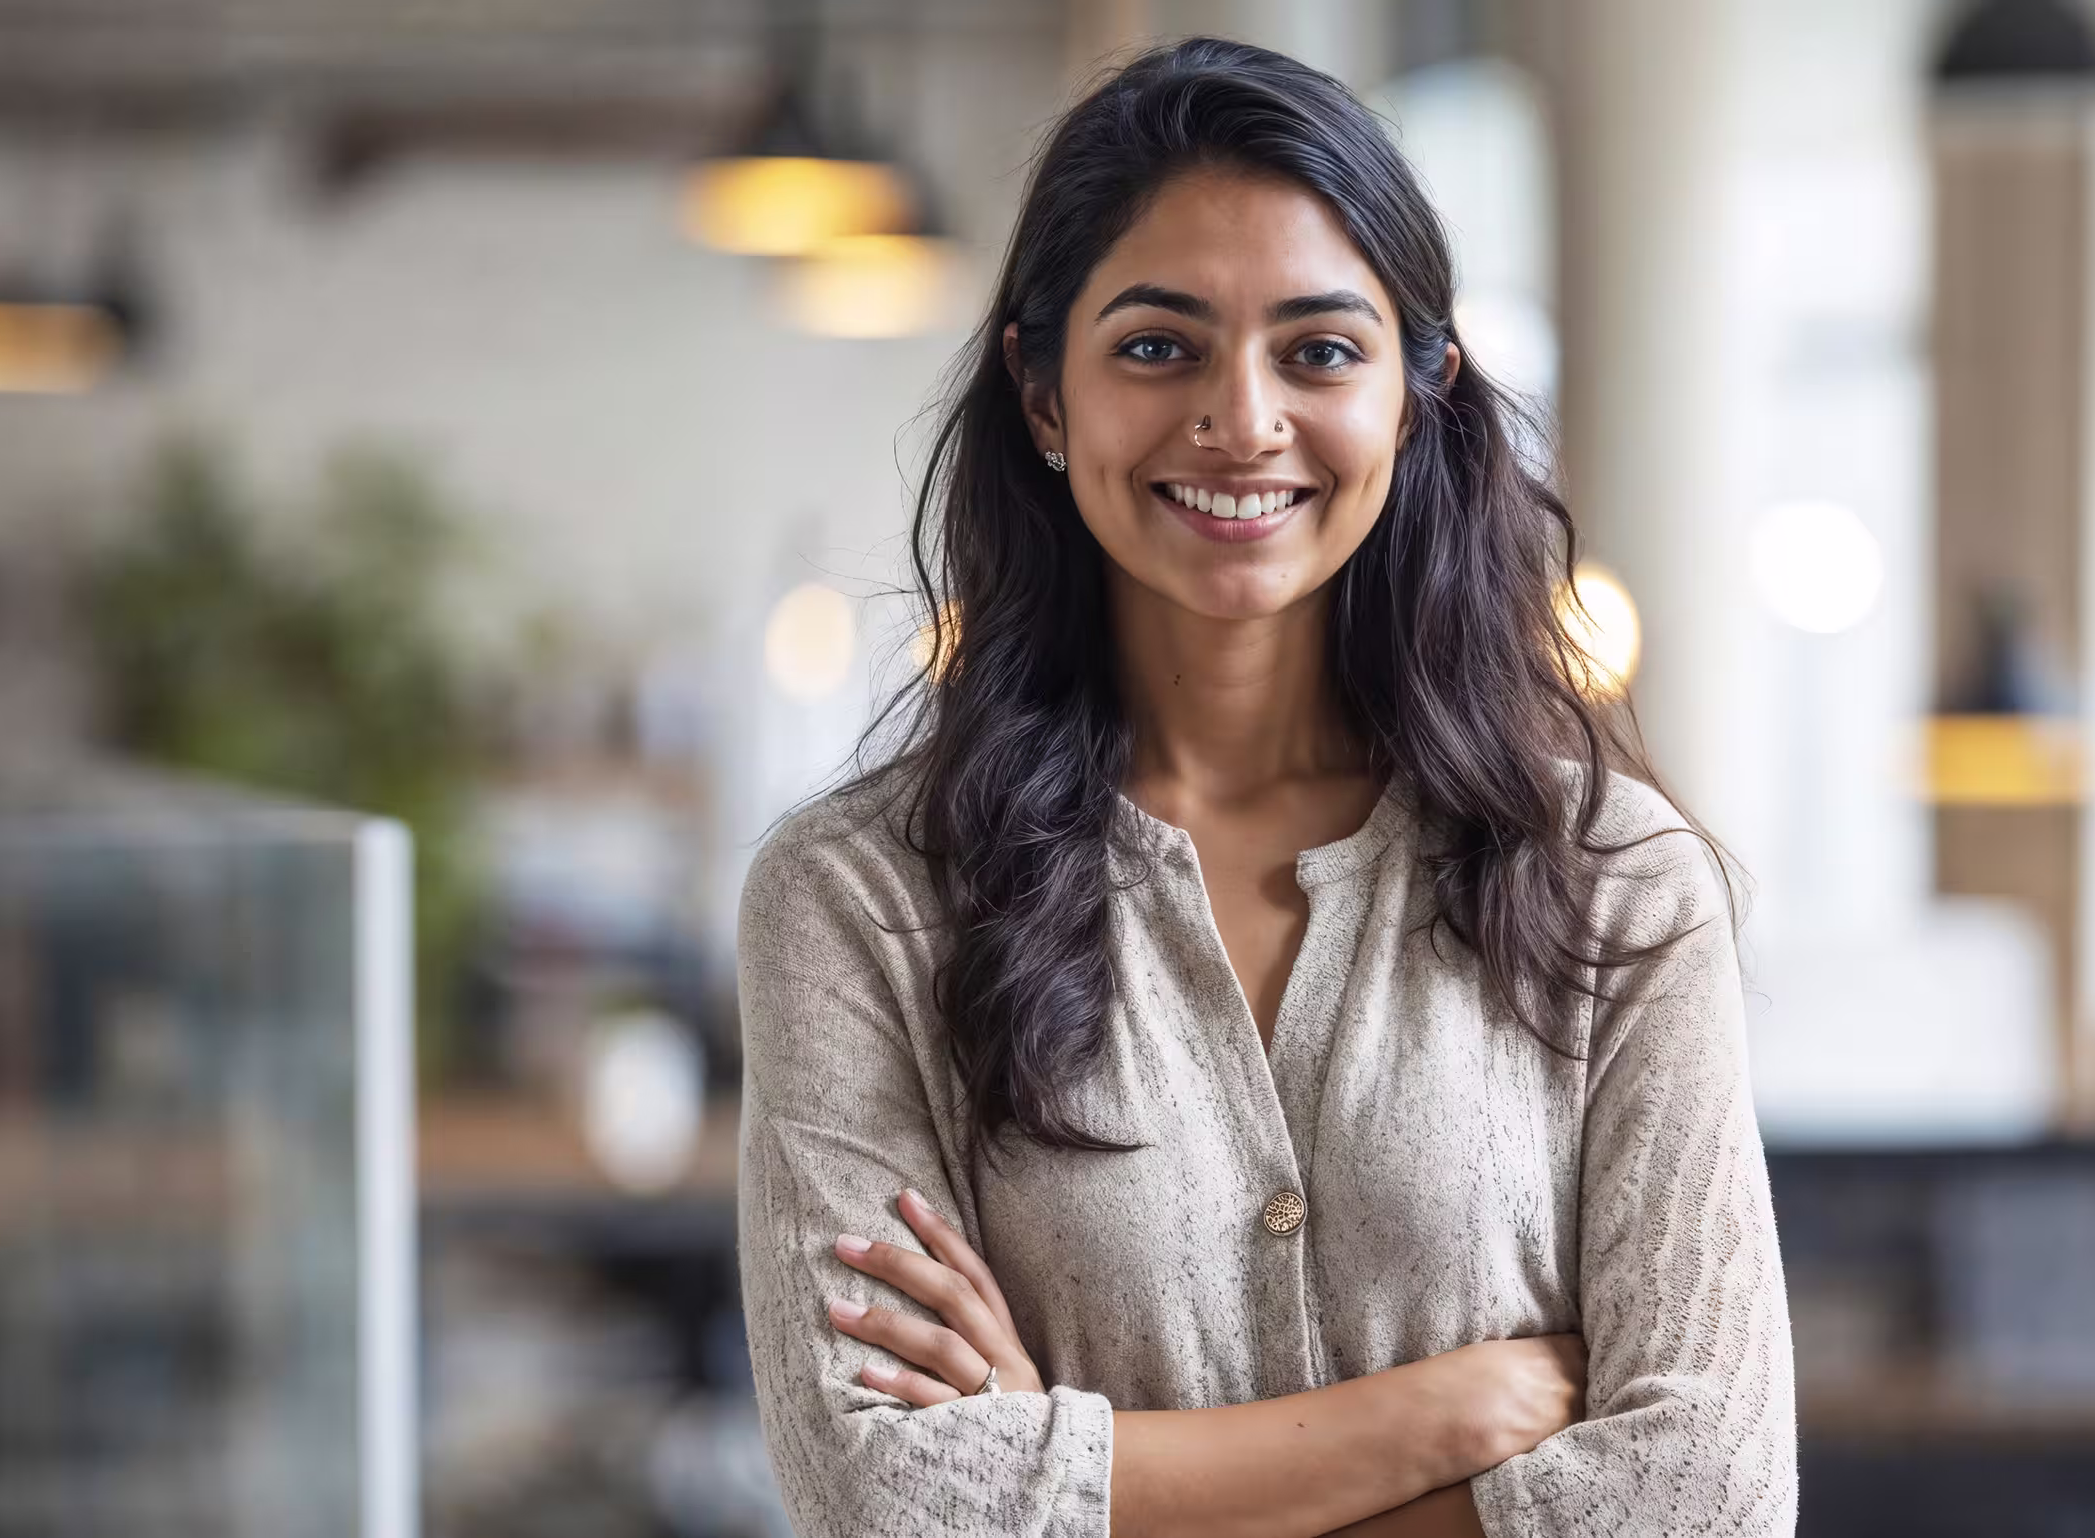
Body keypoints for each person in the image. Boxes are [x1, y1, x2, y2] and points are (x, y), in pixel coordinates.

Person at [735, 36, 1796, 1538]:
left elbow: (1707, 1497)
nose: (1241, 421)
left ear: (1419, 390)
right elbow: (886, 1498)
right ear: (1042, 394)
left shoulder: (1613, 878)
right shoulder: (859, 901)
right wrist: (1439, 1419)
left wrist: (1073, 1475)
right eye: (1158, 346)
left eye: (1318, 348)